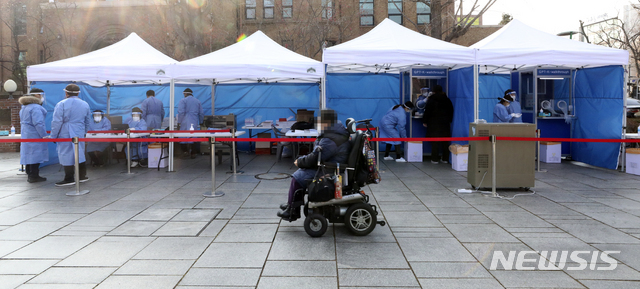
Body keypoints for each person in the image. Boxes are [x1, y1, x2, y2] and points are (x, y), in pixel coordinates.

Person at [277, 109, 350, 220]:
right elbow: (317, 154)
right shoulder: (335, 133)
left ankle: (292, 211)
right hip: (329, 166)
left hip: (329, 170)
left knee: (298, 178)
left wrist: (300, 162)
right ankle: (291, 204)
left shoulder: (331, 139)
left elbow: (316, 157)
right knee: (300, 174)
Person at [51, 84, 92, 186]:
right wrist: (84, 132)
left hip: (65, 131)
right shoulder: (85, 104)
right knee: (80, 153)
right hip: (79, 131)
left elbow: (57, 121)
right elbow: (87, 121)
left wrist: (53, 136)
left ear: (66, 92)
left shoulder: (61, 104)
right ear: (78, 93)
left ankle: (69, 178)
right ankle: (82, 176)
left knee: (66, 154)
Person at [19, 88, 48, 183]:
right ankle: (34, 175)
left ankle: (30, 174)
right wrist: (43, 135)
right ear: (37, 95)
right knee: (35, 155)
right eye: (41, 95)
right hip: (35, 135)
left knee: (29, 155)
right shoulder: (35, 108)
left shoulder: (24, 107)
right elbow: (38, 123)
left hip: (26, 134)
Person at [422, 85, 454, 164]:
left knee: (435, 142)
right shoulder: (447, 99)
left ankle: (434, 159)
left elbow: (427, 111)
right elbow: (451, 111)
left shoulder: (431, 100)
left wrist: (425, 121)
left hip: (434, 123)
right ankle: (445, 159)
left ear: (433, 91)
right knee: (445, 142)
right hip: (445, 123)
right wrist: (449, 120)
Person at [178, 88, 204, 158]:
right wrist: (201, 121)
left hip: (185, 120)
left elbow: (181, 112)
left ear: (185, 94)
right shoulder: (197, 101)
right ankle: (193, 153)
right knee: (193, 135)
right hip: (194, 120)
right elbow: (201, 113)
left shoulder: (183, 100)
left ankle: (185, 151)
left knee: (182, 136)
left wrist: (179, 121)